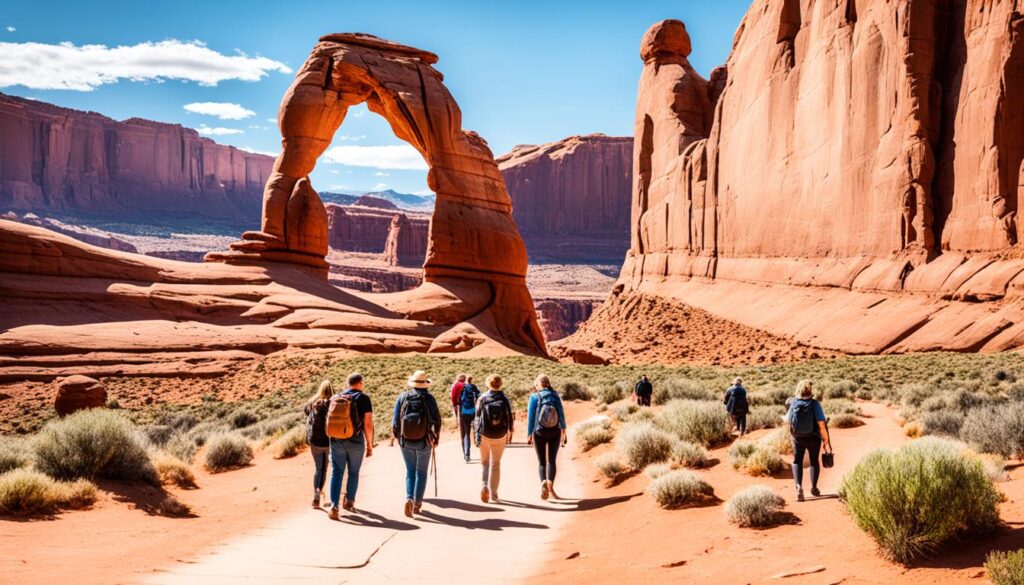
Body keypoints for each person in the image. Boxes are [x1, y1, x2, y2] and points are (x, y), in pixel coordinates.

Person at [392, 370, 442, 517]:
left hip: (405, 441)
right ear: (425, 384)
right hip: (424, 440)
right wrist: (436, 438)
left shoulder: (403, 397)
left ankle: (409, 498)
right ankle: (417, 504)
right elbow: (437, 420)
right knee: (421, 472)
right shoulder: (430, 399)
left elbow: (395, 421)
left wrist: (398, 438)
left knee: (410, 471)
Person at [326, 372, 374, 519]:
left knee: (337, 472)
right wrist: (370, 445)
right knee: (353, 472)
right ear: (359, 383)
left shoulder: (336, 397)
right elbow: (368, 424)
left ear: (349, 383)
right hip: (355, 441)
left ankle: (334, 506)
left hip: (336, 440)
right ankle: (349, 502)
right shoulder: (364, 398)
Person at [787, 379, 831, 502]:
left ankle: (799, 487)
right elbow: (821, 424)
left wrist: (793, 435)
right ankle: (814, 488)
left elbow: (789, 421)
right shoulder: (815, 404)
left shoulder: (794, 403)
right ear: (810, 390)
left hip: (797, 437)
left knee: (797, 461)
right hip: (813, 437)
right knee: (813, 461)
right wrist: (825, 439)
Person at [527, 374, 567, 500]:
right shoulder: (555, 395)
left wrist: (529, 433)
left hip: (539, 431)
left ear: (538, 385)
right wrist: (564, 430)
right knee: (552, 461)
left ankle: (543, 481)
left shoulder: (534, 396)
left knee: (542, 462)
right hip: (555, 431)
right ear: (548, 384)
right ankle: (550, 486)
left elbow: (531, 417)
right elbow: (561, 413)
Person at [474, 374, 514, 503]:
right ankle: (494, 494)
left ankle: (483, 486)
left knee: (485, 463)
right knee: (495, 464)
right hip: (500, 435)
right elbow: (509, 417)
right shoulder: (504, 398)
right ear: (500, 384)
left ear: (488, 384)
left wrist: (476, 434)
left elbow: (477, 418)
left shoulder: (482, 398)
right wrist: (510, 431)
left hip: (484, 433)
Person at [304, 380, 333, 508]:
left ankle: (316, 498)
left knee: (318, 468)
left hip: (314, 441)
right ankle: (320, 492)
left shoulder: (312, 402)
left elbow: (306, 413)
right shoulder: (333, 402)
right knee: (325, 468)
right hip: (328, 442)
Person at [457, 375, 481, 462]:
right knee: (477, 428)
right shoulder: (474, 387)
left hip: (464, 412)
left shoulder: (462, 388)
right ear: (471, 380)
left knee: (467, 433)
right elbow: (480, 396)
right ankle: (477, 440)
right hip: (473, 411)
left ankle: (467, 455)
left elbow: (458, 399)